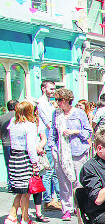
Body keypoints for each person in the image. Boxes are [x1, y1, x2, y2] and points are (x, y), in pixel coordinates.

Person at [51, 88, 92, 221]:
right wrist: (53, 148)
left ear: (68, 100)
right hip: (61, 152)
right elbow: (53, 133)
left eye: (60, 100)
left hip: (77, 151)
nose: (58, 103)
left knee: (78, 182)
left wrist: (75, 131)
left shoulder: (79, 113)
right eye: (56, 100)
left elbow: (88, 132)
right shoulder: (56, 114)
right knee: (63, 182)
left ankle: (79, 207)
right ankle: (66, 209)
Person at [5, 101, 42, 224]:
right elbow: (31, 147)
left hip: (14, 157)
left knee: (20, 190)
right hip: (24, 157)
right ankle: (24, 220)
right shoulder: (29, 126)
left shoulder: (13, 124)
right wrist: (35, 163)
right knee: (26, 191)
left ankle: (13, 216)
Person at [37, 81, 59, 210]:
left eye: (54, 89)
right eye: (51, 89)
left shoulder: (49, 103)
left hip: (52, 139)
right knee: (48, 171)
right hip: (48, 139)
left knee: (54, 171)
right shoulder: (41, 103)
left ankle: (54, 198)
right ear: (43, 88)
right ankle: (47, 200)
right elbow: (48, 122)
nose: (53, 91)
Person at [1, 99, 18, 188]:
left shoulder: (2, 117)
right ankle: (18, 182)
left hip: (6, 144)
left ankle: (11, 183)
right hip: (17, 144)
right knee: (18, 163)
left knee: (9, 164)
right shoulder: (19, 116)